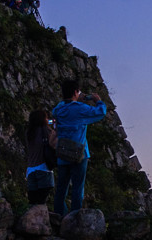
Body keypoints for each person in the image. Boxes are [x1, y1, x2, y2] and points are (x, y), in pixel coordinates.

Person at [51, 79, 107, 216]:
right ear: (76, 92)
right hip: (79, 154)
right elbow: (101, 112)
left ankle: (59, 217)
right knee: (77, 189)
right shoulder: (80, 109)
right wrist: (97, 100)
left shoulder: (59, 110)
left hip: (63, 153)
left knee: (61, 189)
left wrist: (71, 100)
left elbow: (55, 111)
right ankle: (74, 219)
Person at [25, 109, 57, 204]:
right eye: (46, 118)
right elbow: (54, 144)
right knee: (41, 201)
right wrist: (55, 127)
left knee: (33, 200)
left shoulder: (28, 132)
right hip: (43, 169)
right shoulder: (47, 131)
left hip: (30, 169)